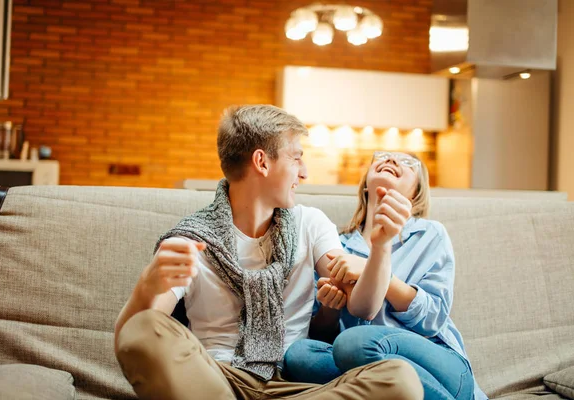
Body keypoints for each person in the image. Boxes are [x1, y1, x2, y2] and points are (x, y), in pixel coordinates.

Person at [114, 106, 423, 400]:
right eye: (296, 158)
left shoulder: (310, 224)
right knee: (145, 326)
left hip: (295, 387)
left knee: (399, 379)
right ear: (262, 162)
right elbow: (132, 338)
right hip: (216, 381)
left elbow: (363, 307)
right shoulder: (191, 239)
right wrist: (146, 286)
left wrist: (381, 247)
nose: (304, 172)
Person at [284, 151, 488, 400]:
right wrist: (330, 310)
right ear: (366, 185)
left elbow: (433, 318)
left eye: (407, 163)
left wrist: (375, 271)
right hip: (361, 361)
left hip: (441, 366)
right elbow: (324, 335)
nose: (391, 160)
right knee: (299, 356)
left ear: (415, 193)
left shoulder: (429, 234)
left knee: (354, 343)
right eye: (383, 157)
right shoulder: (336, 246)